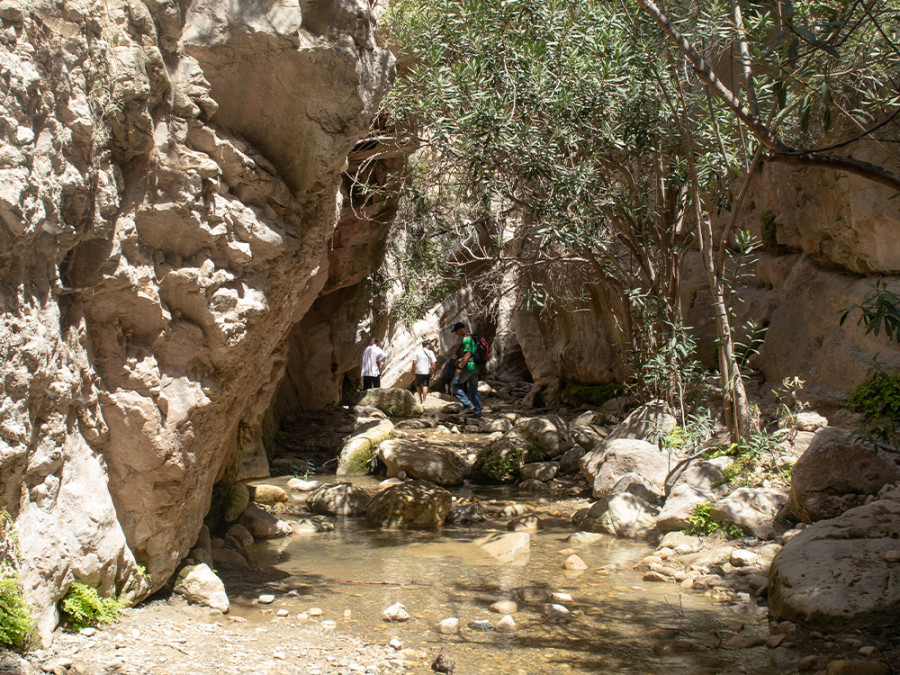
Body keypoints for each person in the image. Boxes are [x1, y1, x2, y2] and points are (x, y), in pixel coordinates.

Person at [449, 321, 482, 417]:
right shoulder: (472, 337)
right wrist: (460, 359)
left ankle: (468, 404)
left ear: (460, 330)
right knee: (473, 390)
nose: (456, 333)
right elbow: (471, 353)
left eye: (456, 331)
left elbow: (468, 354)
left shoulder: (466, 339)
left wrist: (460, 367)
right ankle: (478, 413)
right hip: (476, 366)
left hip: (469, 367)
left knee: (454, 384)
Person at [411, 339, 437, 403]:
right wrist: (432, 371)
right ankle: (424, 399)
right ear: (427, 346)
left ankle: (420, 398)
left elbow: (414, 362)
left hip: (418, 371)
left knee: (418, 384)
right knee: (425, 385)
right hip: (426, 371)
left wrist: (412, 370)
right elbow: (433, 363)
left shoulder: (417, 352)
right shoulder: (430, 352)